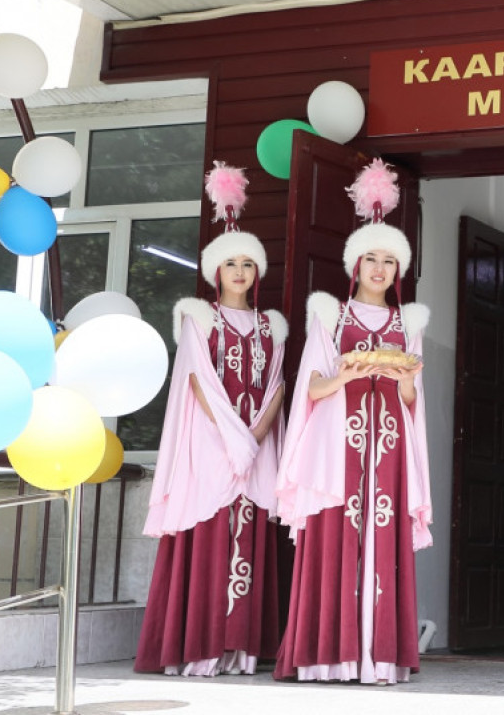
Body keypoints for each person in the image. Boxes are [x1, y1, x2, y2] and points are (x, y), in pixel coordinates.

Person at [273, 158, 432, 685]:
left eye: (390, 261)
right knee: (336, 542)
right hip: (336, 449)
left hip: (389, 449)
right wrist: (346, 374)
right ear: (355, 265)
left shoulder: (407, 323)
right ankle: (331, 655)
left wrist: (405, 379)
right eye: (372, 259)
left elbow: (411, 399)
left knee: (383, 540)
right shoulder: (330, 316)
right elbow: (312, 389)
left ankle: (379, 656)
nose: (380, 269)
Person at [136, 162, 286, 676]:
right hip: (211, 445)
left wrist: (257, 438)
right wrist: (234, 439)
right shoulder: (200, 318)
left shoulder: (271, 326)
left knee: (248, 538)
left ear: (257, 271)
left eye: (247, 263)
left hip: (255, 446)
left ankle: (240, 648)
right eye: (230, 263)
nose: (239, 271)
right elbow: (199, 381)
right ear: (214, 271)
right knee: (211, 535)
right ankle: (201, 647)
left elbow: (277, 386)